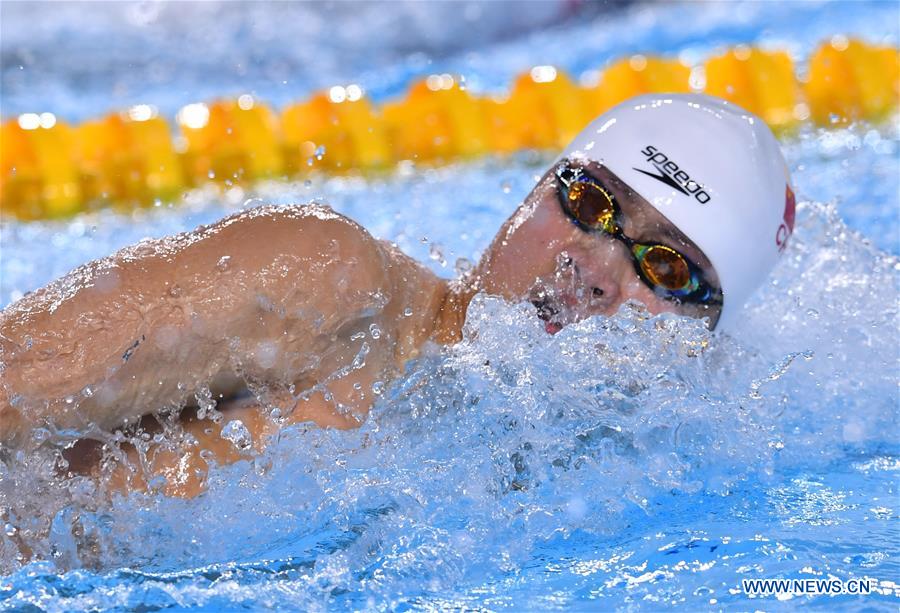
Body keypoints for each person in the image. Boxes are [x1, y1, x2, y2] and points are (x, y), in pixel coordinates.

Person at [0, 93, 795, 497]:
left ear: (699, 336)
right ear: (535, 190)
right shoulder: (328, 284)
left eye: (666, 267)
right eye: (590, 204)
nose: (595, 267)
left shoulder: (590, 487)